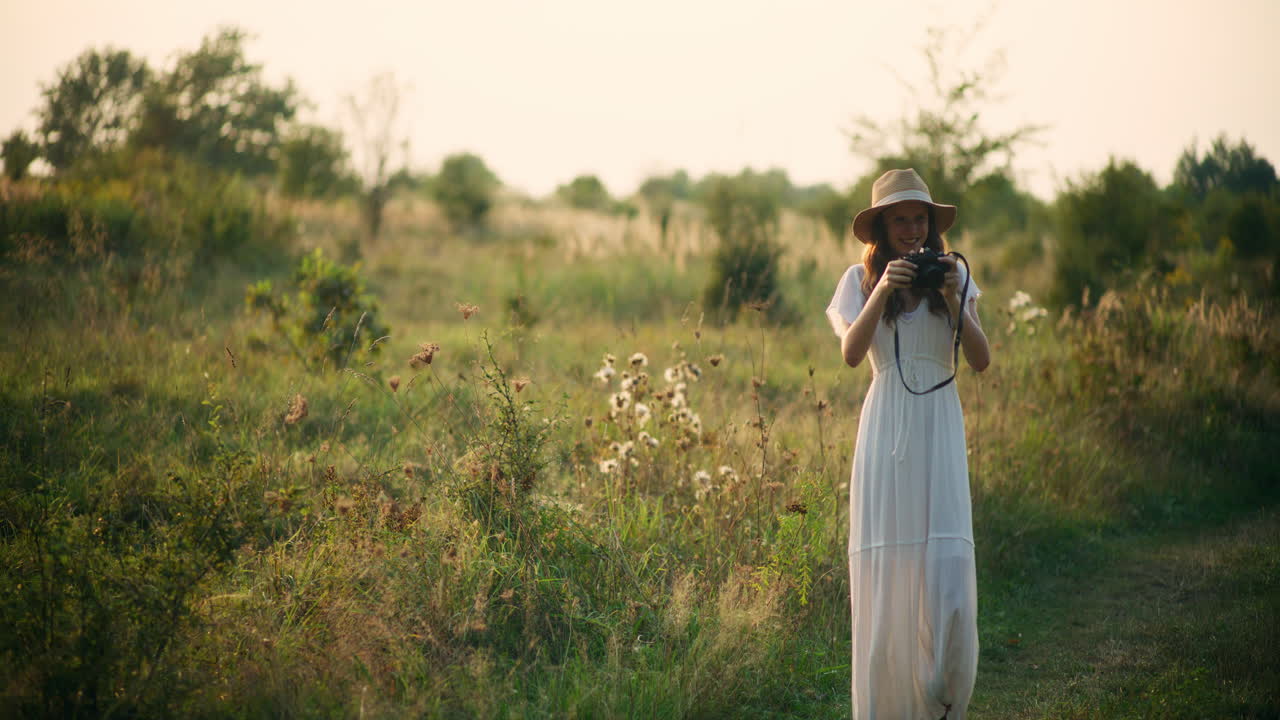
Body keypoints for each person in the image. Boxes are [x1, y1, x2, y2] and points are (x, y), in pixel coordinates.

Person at [826, 168, 991, 720]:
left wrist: (952, 293)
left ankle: (942, 697)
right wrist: (885, 290)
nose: (912, 229)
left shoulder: (953, 276)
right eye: (900, 219)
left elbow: (981, 360)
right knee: (888, 570)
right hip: (886, 423)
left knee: (945, 568)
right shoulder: (858, 280)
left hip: (939, 426)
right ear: (881, 228)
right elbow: (852, 353)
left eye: (919, 218)